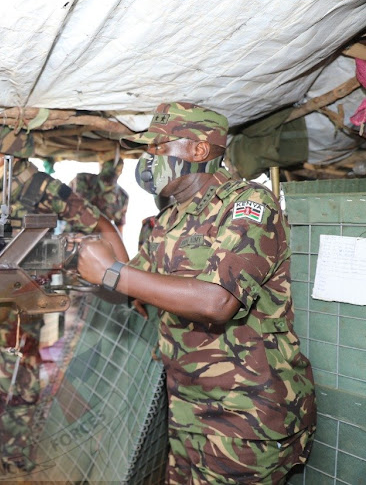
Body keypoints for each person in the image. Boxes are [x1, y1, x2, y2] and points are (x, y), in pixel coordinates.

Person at [76, 102, 316, 484]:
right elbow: (136, 286)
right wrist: (82, 261)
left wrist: (113, 273)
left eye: (158, 148)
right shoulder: (170, 218)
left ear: (198, 151)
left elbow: (217, 302)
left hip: (245, 412)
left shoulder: (248, 204)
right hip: (188, 406)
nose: (148, 160)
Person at [0, 123, 128, 472]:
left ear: (14, 156)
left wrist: (126, 278)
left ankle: (15, 455)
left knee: (19, 382)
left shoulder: (45, 187)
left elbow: (103, 227)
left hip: (19, 304)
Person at [68, 152, 129, 232]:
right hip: (75, 233)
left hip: (95, 237)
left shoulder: (83, 178)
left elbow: (119, 227)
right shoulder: (123, 195)